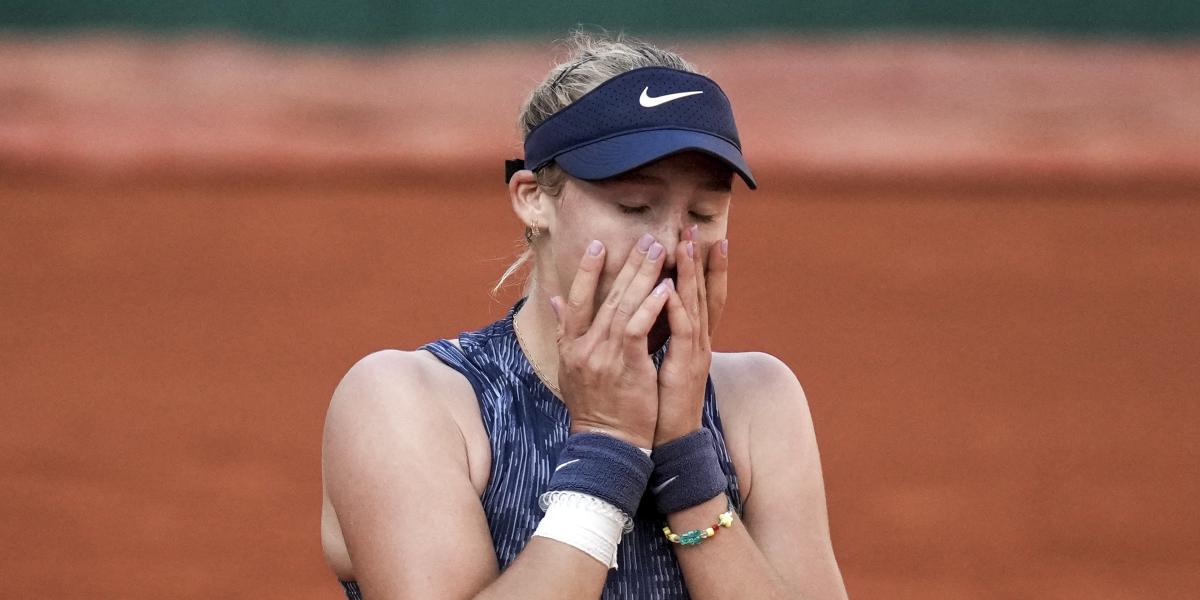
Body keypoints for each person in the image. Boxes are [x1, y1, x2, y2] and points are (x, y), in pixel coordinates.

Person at [320, 32, 847, 599]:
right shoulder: (407, 401)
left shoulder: (759, 400)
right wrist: (609, 448)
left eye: (704, 211)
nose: (671, 243)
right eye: (633, 207)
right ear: (533, 197)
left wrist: (688, 463)